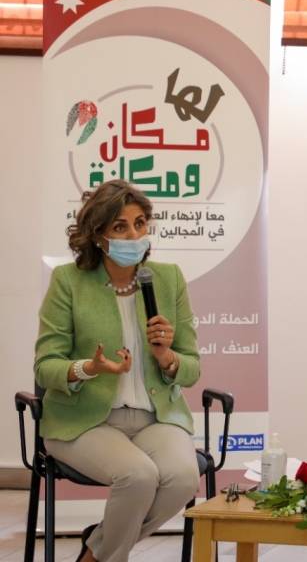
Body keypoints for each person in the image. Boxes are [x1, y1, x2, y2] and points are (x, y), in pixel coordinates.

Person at [34, 180, 201, 562]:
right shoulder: (69, 281)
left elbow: (191, 368)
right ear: (98, 235)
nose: (134, 235)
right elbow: (46, 366)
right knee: (138, 476)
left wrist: (167, 357)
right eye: (120, 227)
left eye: (140, 223)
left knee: (182, 479)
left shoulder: (168, 278)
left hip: (155, 418)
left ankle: (95, 551)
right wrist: (87, 368)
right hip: (84, 421)